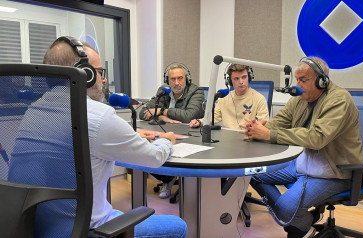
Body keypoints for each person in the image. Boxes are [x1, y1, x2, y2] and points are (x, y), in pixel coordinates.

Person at [10, 36, 187, 237]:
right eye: (100, 72)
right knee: (178, 225)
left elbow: (77, 138)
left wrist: (129, 135)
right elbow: (154, 157)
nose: (103, 79)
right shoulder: (97, 115)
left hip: (38, 227)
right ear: (85, 74)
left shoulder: (33, 110)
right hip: (88, 229)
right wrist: (167, 140)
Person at [240, 57, 363, 238]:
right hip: (302, 164)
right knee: (247, 171)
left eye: (303, 80)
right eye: (297, 80)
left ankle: (302, 225)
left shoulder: (339, 100)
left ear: (322, 81)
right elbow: (280, 122)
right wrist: (260, 127)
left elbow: (317, 138)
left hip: (332, 172)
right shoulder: (300, 99)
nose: (298, 85)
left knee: (285, 208)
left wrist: (268, 135)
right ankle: (300, 218)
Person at [140, 63, 204, 199]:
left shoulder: (196, 91)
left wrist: (161, 110)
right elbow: (143, 112)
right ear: (167, 81)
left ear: (187, 79)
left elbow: (188, 116)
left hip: (190, 137)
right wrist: (163, 117)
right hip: (166, 134)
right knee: (148, 153)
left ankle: (186, 185)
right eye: (172, 79)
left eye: (180, 78)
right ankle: (167, 179)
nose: (176, 83)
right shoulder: (163, 91)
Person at [189, 64, 269, 129]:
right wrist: (199, 122)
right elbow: (214, 117)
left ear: (249, 77)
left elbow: (264, 125)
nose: (241, 82)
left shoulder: (259, 99)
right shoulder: (224, 99)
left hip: (250, 139)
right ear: (230, 81)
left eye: (244, 77)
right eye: (236, 79)